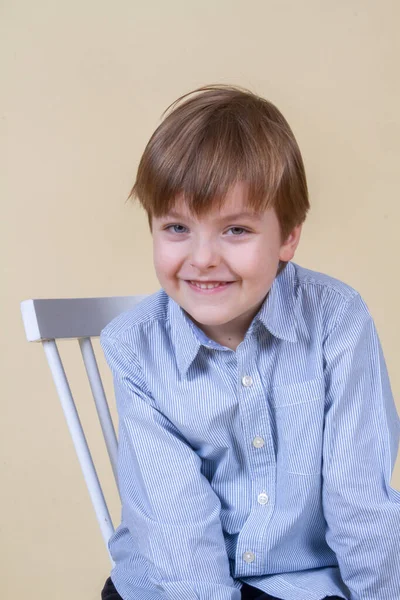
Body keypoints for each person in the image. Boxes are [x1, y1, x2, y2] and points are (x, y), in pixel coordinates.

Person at [99, 84, 400, 600]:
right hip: (174, 582)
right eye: (176, 227)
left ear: (287, 236)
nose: (202, 258)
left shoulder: (337, 322)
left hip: (301, 580)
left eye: (235, 230)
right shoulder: (135, 348)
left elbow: (360, 504)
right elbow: (178, 530)